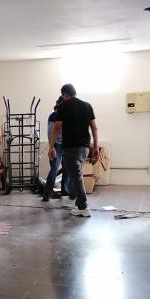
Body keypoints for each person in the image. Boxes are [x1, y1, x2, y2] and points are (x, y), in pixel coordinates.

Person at [48, 83, 98, 217]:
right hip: (84, 148)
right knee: (75, 175)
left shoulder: (63, 106)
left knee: (76, 177)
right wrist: (96, 146)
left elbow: (56, 128)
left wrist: (51, 147)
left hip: (70, 147)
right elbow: (94, 128)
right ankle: (79, 203)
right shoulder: (87, 106)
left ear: (64, 94)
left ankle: (83, 207)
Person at [42, 97, 69, 202]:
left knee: (67, 168)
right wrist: (52, 147)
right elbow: (50, 133)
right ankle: (46, 193)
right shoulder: (53, 116)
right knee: (54, 169)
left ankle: (65, 190)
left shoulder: (67, 115)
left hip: (66, 145)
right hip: (57, 145)